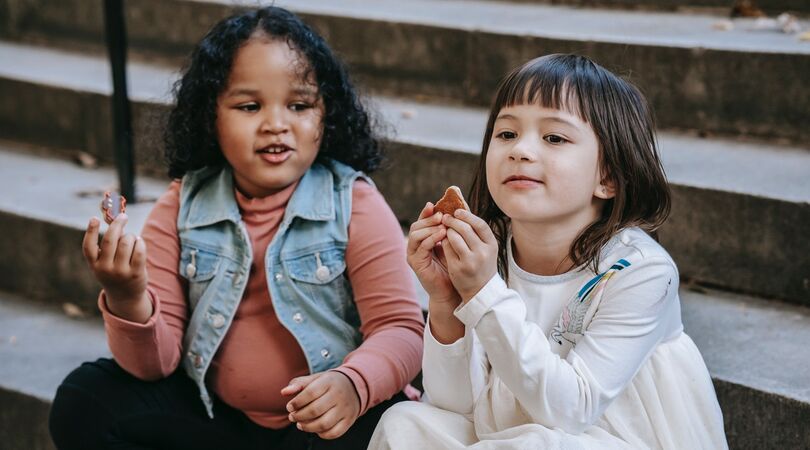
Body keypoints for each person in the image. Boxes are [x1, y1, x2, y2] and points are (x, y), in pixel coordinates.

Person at [49, 6, 424, 450]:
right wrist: (127, 297)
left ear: (328, 115)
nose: (276, 124)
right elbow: (155, 366)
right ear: (211, 117)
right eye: (249, 106)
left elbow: (401, 329)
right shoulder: (182, 204)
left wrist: (353, 384)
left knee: (389, 425)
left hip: (323, 425)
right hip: (217, 418)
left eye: (300, 105)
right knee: (84, 400)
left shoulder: (354, 202)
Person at [370, 54, 727, 449]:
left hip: (611, 436)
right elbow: (453, 405)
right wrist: (446, 299)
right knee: (404, 423)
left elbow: (571, 411)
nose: (520, 150)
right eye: (506, 134)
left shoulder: (640, 270)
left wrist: (485, 293)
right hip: (508, 432)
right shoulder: (490, 252)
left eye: (554, 138)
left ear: (607, 176)